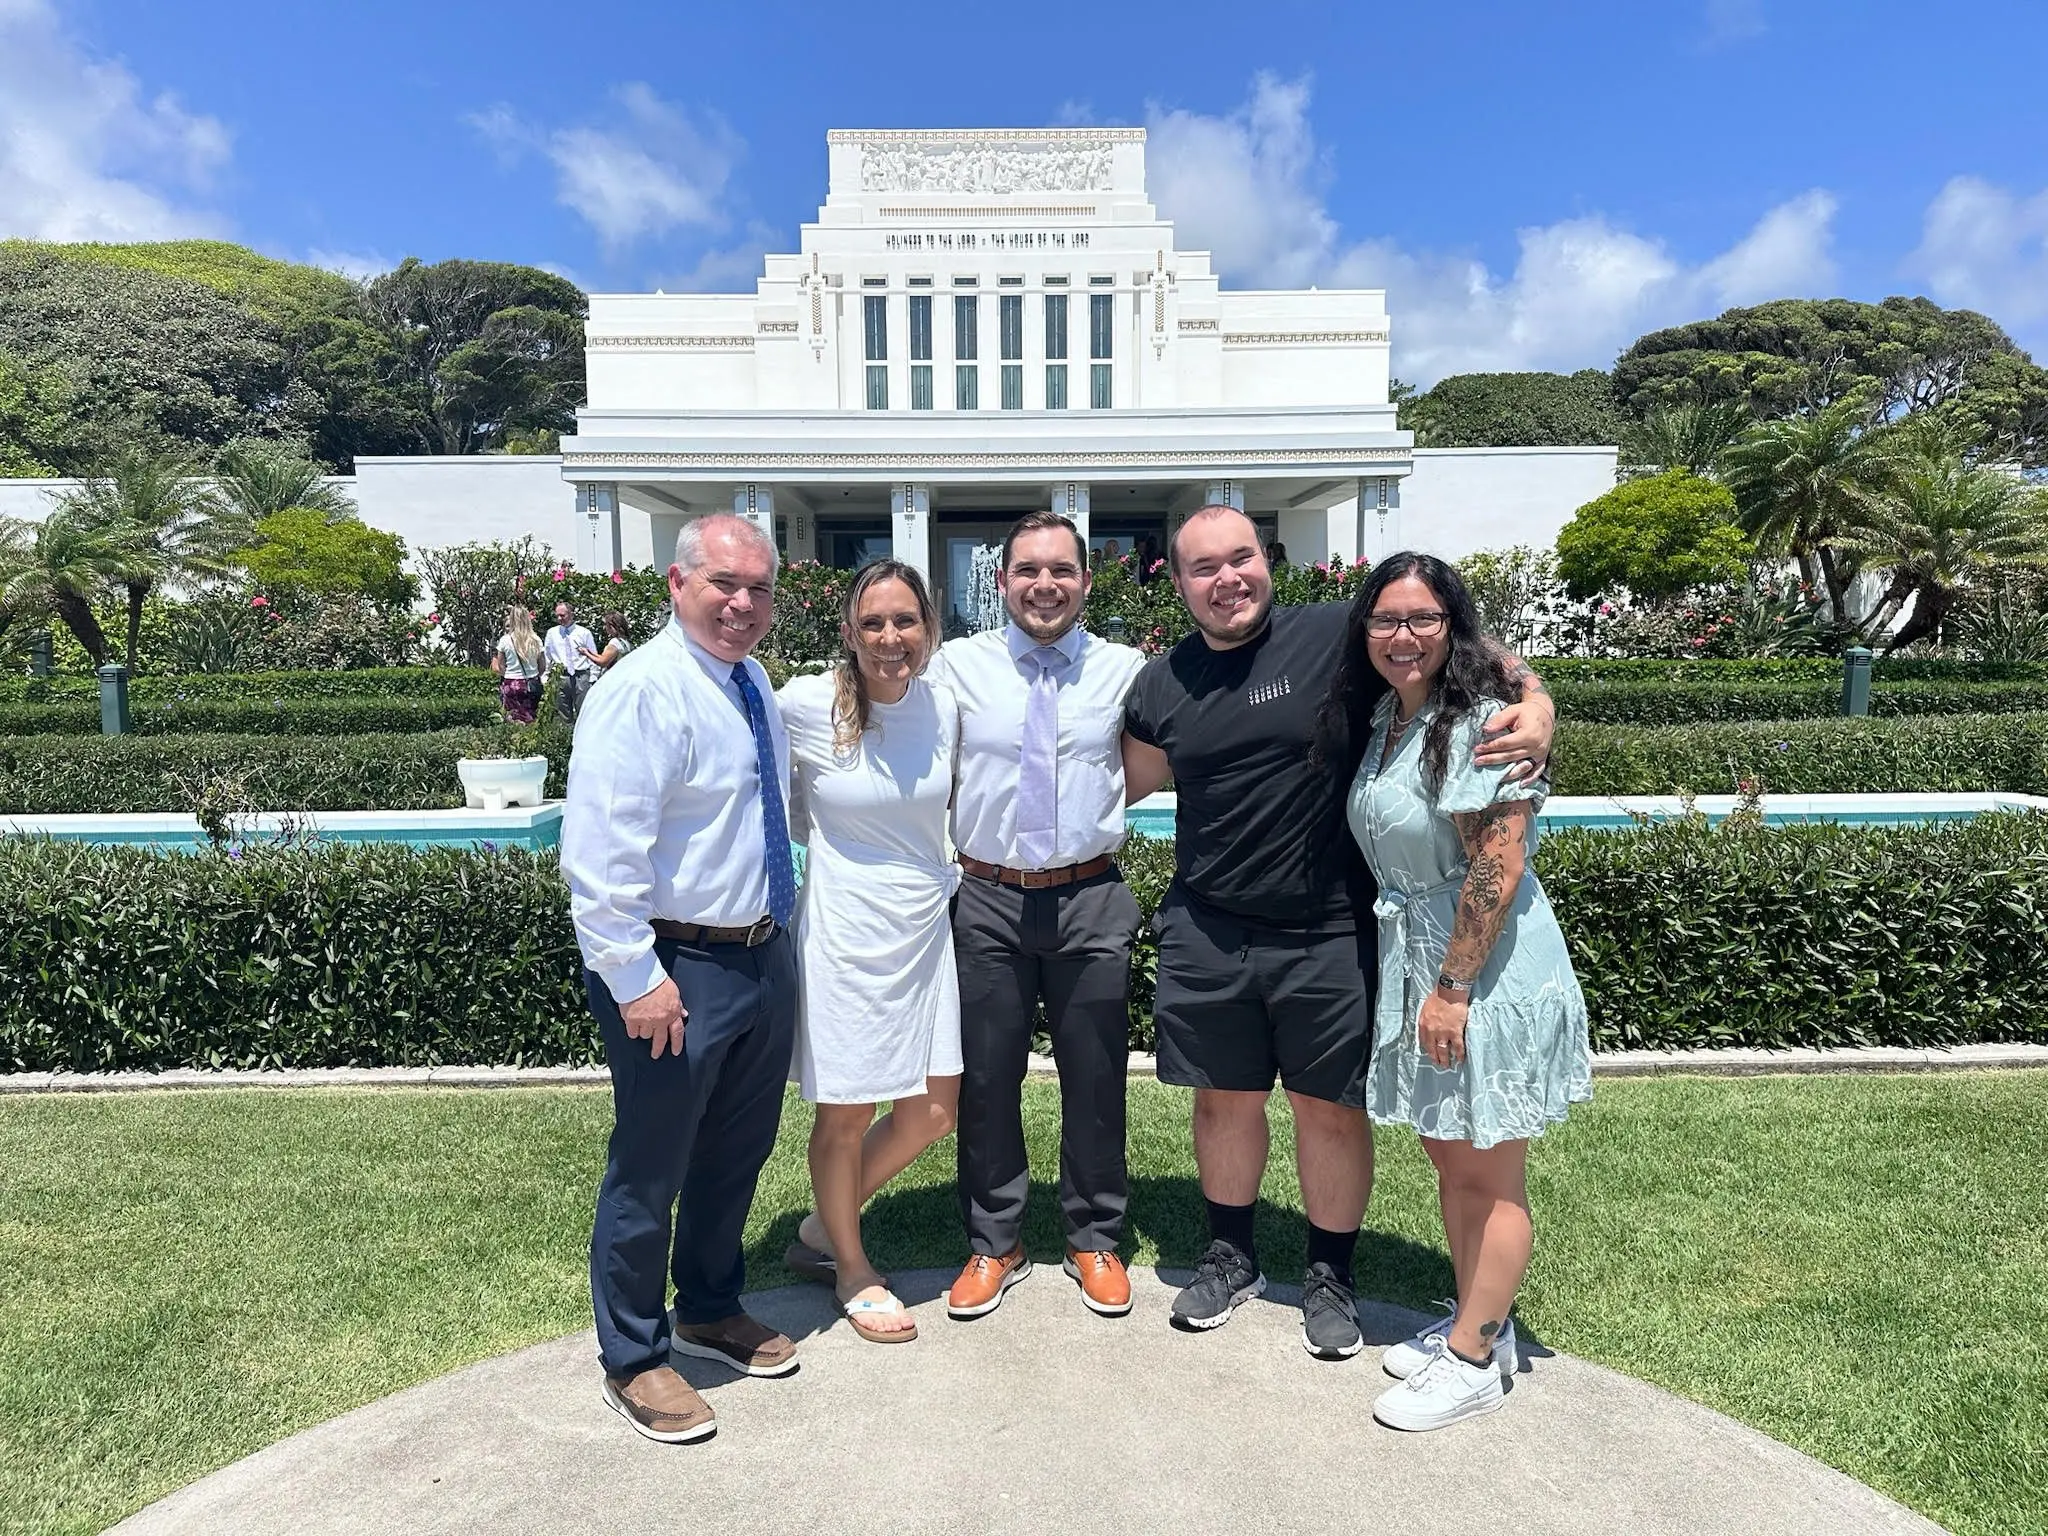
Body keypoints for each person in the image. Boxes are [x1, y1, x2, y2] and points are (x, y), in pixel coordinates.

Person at [1120, 506, 1554, 1362]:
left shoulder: (1334, 634)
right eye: (1203, 568)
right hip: (1208, 924)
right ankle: (1231, 1255)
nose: (1227, 580)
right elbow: (1114, 785)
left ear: (1266, 559)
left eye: (1240, 558)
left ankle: (1329, 1275)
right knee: (1223, 1100)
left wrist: (1537, 703)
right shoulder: (1161, 683)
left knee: (1328, 1110)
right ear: (1177, 583)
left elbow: (1472, 653)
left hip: (1329, 926)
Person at [1324, 552, 1590, 1431]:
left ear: (1452, 626)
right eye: (1387, 618)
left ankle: (1473, 1360)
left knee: (1490, 1172)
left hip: (1483, 973)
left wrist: (1454, 987)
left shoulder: (1480, 724)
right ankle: (1482, 1323)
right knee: (1452, 1157)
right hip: (1424, 965)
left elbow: (1497, 867)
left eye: (1424, 619)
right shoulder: (1392, 715)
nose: (1403, 636)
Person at [559, 513, 800, 1445]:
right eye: (723, 585)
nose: (743, 604)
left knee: (736, 1151)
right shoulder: (640, 692)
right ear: (676, 582)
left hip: (759, 952)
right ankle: (632, 1355)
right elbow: (600, 851)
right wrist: (635, 976)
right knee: (652, 1162)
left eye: (759, 588)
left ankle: (708, 1306)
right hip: (674, 964)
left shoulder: (751, 683)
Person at [924, 511, 1149, 1320]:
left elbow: (1154, 761)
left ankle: (1094, 1237)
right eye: (1028, 570)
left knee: (1096, 1075)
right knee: (987, 1079)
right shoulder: (957, 667)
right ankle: (996, 1241)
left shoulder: (1124, 670)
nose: (1044, 585)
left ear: (1086, 581)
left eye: (1061, 570)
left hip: (1089, 894)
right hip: (987, 896)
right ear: (1001, 581)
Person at [777, 561, 962, 1343]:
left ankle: (825, 1223)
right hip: (845, 932)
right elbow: (784, 806)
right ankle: (850, 1268)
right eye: (874, 623)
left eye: (905, 621)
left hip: (925, 929)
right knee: (847, 1110)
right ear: (849, 633)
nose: (891, 638)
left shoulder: (944, 706)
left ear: (929, 628)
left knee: (933, 1110)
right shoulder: (804, 703)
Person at [545, 600, 600, 724]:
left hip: (581, 676)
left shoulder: (584, 633)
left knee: (584, 711)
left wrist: (593, 677)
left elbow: (593, 655)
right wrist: (546, 677)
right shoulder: (552, 633)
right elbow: (547, 656)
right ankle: (566, 733)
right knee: (563, 712)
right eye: (557, 616)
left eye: (563, 615)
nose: (560, 619)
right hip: (561, 676)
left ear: (571, 614)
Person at [491, 605, 544, 723]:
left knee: (512, 718)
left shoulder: (505, 640)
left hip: (511, 682)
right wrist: (533, 675)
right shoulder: (536, 639)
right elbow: (542, 665)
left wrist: (509, 675)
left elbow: (501, 665)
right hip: (532, 683)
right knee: (531, 717)